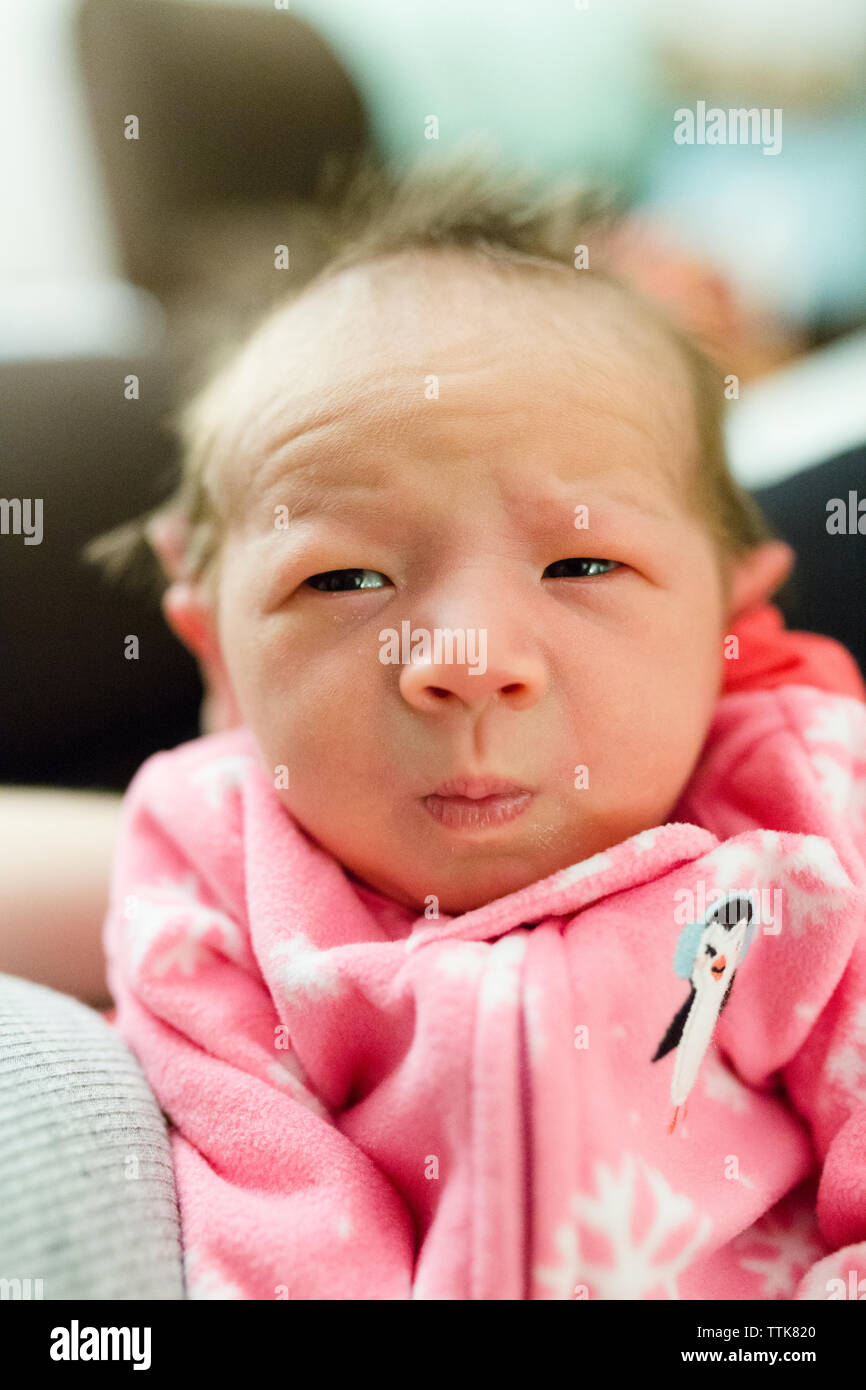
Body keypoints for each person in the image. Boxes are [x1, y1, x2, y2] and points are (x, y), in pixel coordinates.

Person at [13, 156, 866, 1298]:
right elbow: (271, 1218)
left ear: (730, 615)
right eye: (345, 579)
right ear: (214, 646)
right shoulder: (220, 879)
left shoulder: (804, 830)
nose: (467, 665)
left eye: (580, 562)